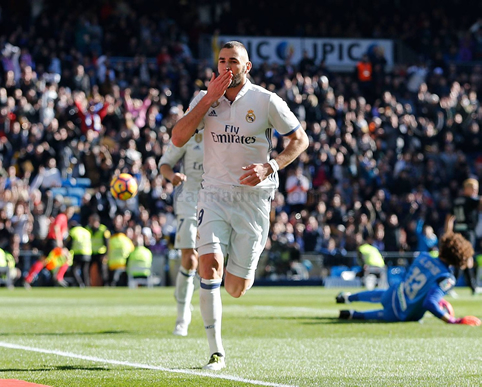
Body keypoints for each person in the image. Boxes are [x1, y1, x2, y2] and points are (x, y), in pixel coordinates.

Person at [171, 40, 309, 370]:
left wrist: (271, 166)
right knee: (209, 268)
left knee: (235, 288)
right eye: (221, 61)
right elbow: (177, 138)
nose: (226, 66)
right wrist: (206, 100)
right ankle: (215, 352)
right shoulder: (205, 99)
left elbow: (300, 139)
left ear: (247, 67)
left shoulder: (266, 101)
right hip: (214, 194)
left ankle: (242, 272)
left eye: (233, 61)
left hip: (253, 200)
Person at [336, 216, 481, 326]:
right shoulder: (447, 278)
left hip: (395, 292)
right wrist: (452, 320)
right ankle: (352, 314)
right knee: (378, 315)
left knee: (380, 295)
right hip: (402, 311)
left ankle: (348, 298)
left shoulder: (423, 257)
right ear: (459, 258)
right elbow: (430, 302)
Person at [158, 127, 204, 337]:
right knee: (190, 258)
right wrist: (172, 175)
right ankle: (182, 317)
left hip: (220, 201)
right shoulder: (189, 132)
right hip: (189, 200)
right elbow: (164, 164)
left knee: (211, 262)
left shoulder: (228, 128)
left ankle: (183, 291)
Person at [452, 178, 482, 294]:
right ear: (467, 189)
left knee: (467, 259)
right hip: (468, 233)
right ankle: (450, 283)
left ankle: (472, 286)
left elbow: (449, 218)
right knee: (464, 259)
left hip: (458, 232)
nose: (475, 191)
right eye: (474, 189)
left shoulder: (457, 201)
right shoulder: (470, 200)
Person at [65, 220, 92, 287]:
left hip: (78, 253)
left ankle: (79, 284)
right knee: (85, 271)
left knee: (73, 270)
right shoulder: (86, 231)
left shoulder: (73, 231)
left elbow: (69, 244)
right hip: (88, 253)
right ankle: (87, 285)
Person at [86, 213, 110, 286]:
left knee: (103, 271)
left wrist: (106, 255)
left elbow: (107, 244)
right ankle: (87, 285)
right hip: (90, 253)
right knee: (87, 270)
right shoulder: (87, 229)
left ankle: (105, 285)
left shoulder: (103, 230)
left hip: (101, 253)